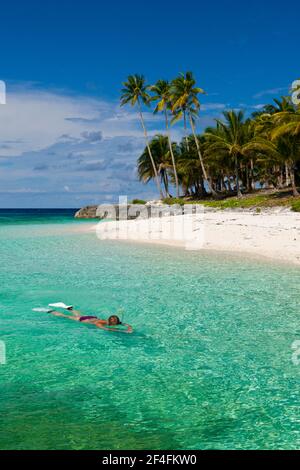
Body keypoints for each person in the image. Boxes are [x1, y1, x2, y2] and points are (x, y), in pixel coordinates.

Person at [49, 307, 133, 333]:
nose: (114, 322)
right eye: (113, 321)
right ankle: (52, 311)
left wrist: (129, 328)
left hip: (91, 317)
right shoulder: (100, 323)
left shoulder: (116, 322)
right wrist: (122, 331)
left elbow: (125, 324)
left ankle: (70, 308)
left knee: (79, 314)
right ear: (110, 321)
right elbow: (106, 329)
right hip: (84, 320)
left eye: (115, 321)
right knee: (66, 316)